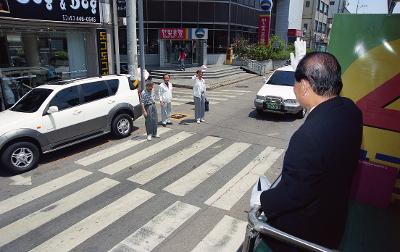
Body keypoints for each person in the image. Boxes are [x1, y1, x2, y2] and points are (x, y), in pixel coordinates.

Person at [259, 52, 363, 251]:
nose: (293, 87)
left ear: (305, 85)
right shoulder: (351, 110)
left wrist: (262, 198)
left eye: (295, 82)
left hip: (305, 237)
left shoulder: (307, 137)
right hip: (334, 223)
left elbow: (295, 194)